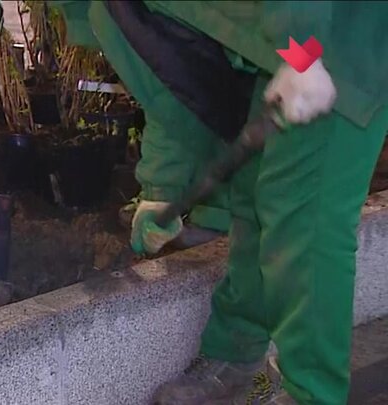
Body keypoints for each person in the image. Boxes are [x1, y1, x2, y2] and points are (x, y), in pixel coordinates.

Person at [50, 1, 388, 404]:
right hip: (283, 41)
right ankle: (236, 354)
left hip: (344, 33)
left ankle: (313, 394)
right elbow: (170, 72)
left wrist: (301, 49)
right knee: (254, 195)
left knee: (304, 220)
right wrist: (161, 188)